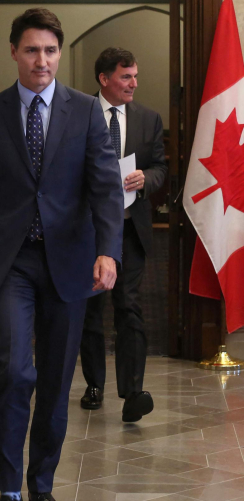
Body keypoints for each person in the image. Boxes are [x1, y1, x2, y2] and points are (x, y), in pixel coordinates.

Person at [0, 9, 124, 501]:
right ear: (14, 52)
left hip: (70, 262)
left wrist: (108, 252)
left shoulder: (86, 111)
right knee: (12, 367)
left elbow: (105, 190)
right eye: (31, 50)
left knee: (53, 381)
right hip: (10, 263)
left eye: (50, 50)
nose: (42, 61)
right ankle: (7, 484)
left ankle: (41, 484)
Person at [79, 47, 167, 422]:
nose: (134, 83)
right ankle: (94, 385)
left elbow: (162, 167)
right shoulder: (78, 114)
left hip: (131, 227)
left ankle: (133, 391)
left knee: (128, 305)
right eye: (126, 77)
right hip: (88, 230)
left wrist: (147, 179)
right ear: (104, 79)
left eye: (135, 76)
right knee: (91, 308)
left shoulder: (149, 119)